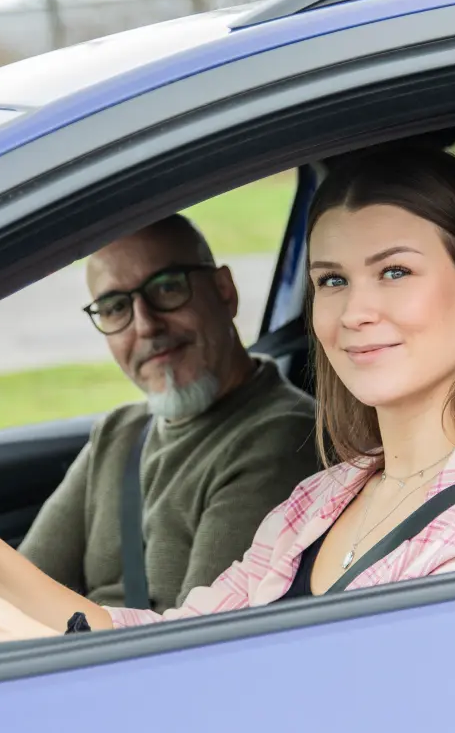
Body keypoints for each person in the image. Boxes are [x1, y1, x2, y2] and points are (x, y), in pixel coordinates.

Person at [0, 145, 455, 645]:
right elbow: (185, 642)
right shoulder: (327, 497)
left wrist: (39, 654)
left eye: (394, 272)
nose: (355, 312)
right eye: (332, 281)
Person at [16, 214, 319, 612]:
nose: (145, 325)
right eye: (115, 307)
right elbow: (18, 587)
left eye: (167, 287)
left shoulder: (282, 437)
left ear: (224, 291)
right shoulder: (119, 431)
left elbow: (200, 636)